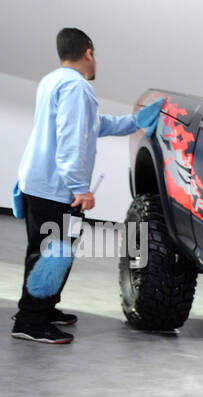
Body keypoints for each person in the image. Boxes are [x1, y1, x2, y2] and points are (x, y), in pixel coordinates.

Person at [10, 27, 163, 344]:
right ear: (88, 52)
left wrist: (136, 121)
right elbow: (71, 140)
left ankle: (43, 308)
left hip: (39, 183)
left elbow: (94, 125)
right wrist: (80, 187)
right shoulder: (77, 87)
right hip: (55, 188)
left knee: (51, 251)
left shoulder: (53, 80)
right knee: (51, 253)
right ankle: (30, 320)